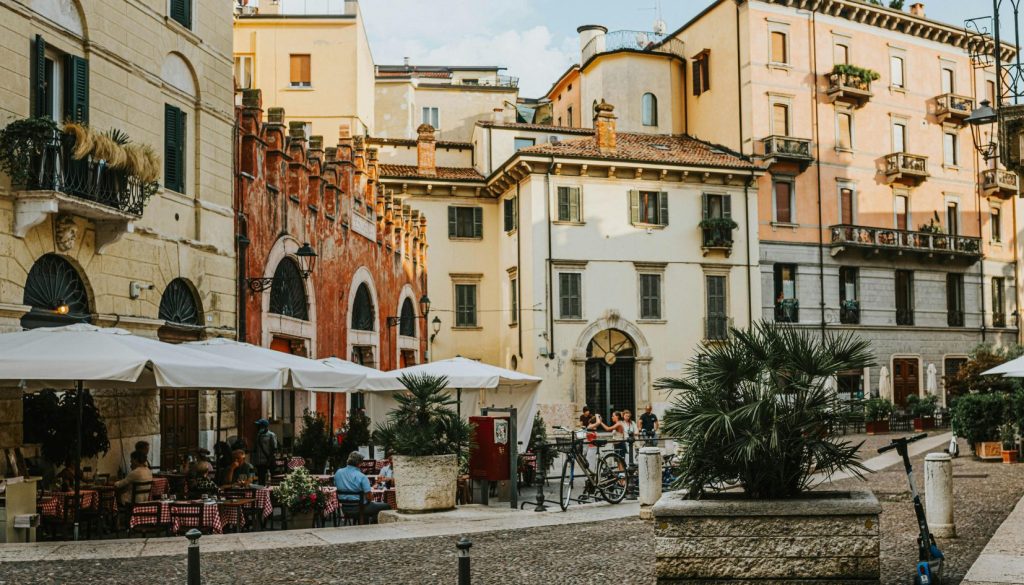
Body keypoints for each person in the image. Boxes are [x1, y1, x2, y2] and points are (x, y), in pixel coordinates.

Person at [334, 452, 390, 523]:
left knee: (369, 508)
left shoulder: (338, 472)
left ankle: (367, 524)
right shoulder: (361, 476)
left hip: (345, 508)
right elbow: (369, 497)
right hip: (360, 508)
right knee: (386, 506)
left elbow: (336, 485)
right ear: (359, 463)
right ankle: (375, 525)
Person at [251, 418, 278, 485]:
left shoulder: (271, 435)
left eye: (259, 426)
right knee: (261, 482)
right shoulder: (258, 435)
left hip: (267, 462)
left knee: (269, 481)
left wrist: (269, 461)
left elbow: (274, 449)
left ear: (264, 426)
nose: (257, 427)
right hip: (259, 463)